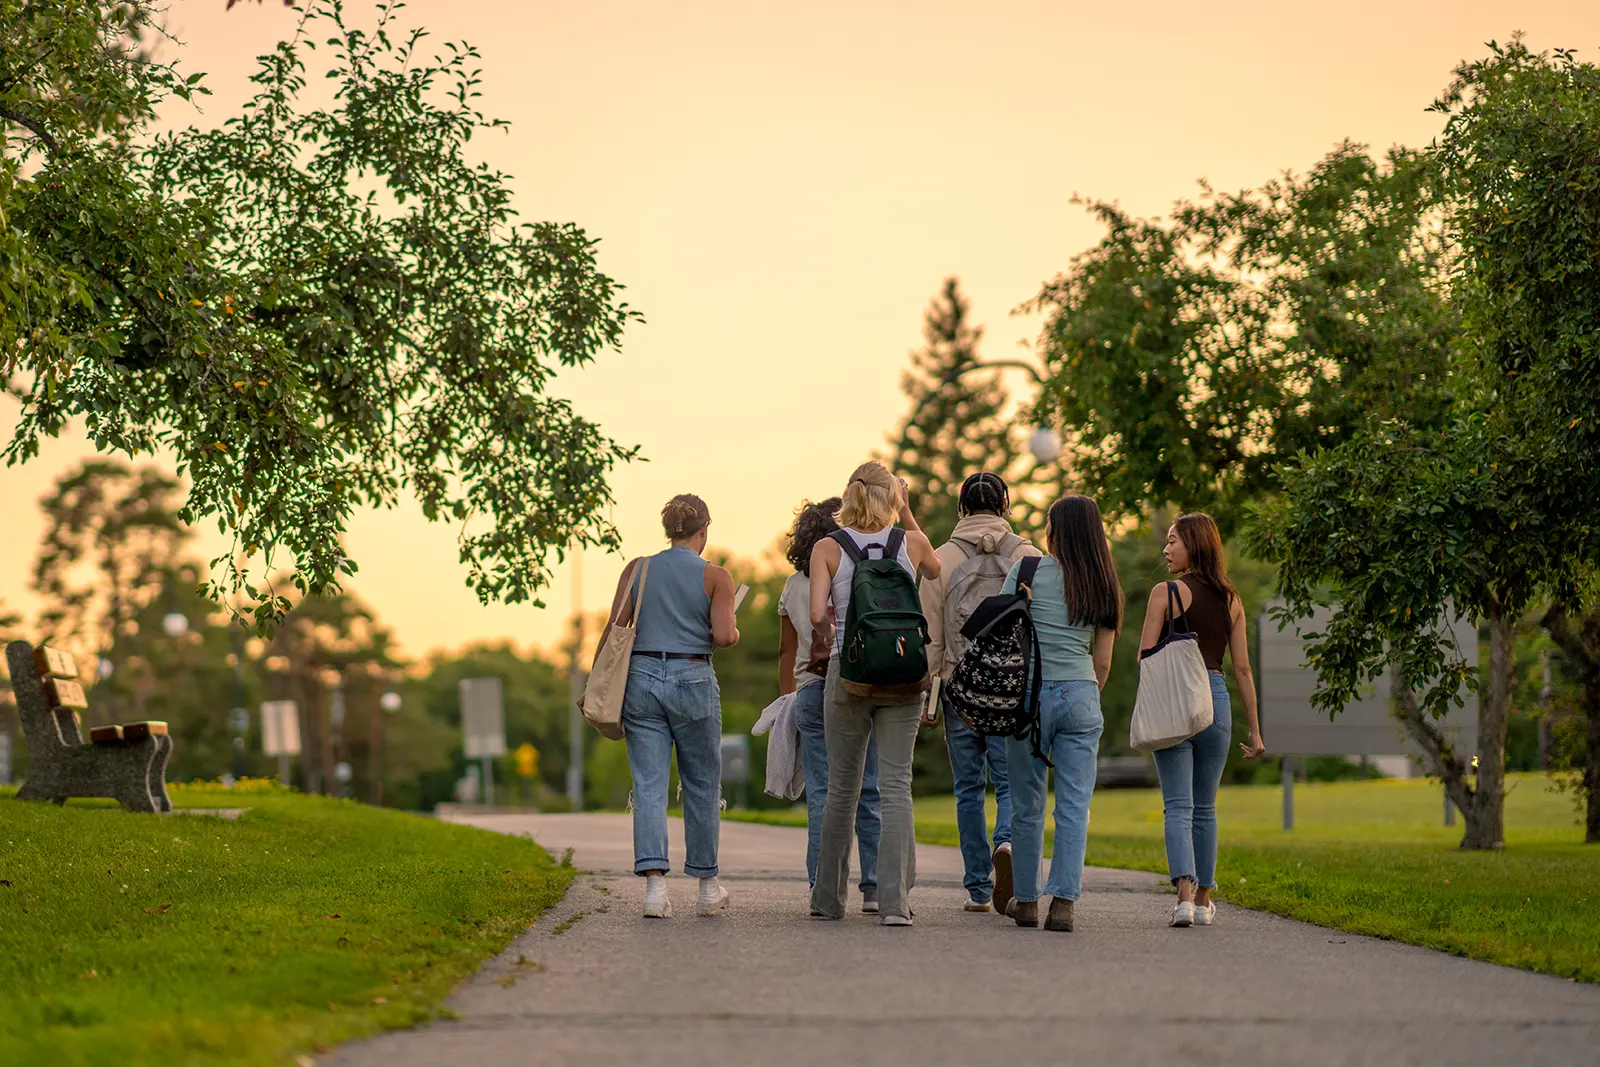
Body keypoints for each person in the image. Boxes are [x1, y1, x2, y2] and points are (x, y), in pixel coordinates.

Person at [593, 494, 741, 919]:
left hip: (640, 679)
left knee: (649, 786)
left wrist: (599, 683)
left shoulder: (638, 569)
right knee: (701, 785)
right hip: (692, 677)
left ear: (668, 530)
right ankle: (707, 887)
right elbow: (725, 636)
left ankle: (655, 892)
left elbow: (615, 627)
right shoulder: (717, 576)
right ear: (704, 531)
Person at [808, 462, 941, 926]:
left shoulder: (827, 548)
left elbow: (816, 617)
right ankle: (894, 904)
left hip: (850, 673)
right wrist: (906, 513)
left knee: (842, 789)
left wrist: (841, 631)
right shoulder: (912, 543)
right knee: (896, 787)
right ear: (893, 497)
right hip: (904, 669)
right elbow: (937, 568)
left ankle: (827, 899)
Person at [918, 472, 1041, 914]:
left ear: (961, 508)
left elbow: (930, 635)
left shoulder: (941, 559)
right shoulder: (1028, 557)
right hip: (1011, 689)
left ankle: (976, 889)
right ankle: (1006, 842)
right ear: (1005, 506)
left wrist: (930, 695)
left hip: (958, 688)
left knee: (967, 787)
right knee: (1009, 783)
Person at [1138, 512, 1267, 928]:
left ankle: (1183, 899)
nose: (1166, 548)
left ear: (1193, 544)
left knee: (1177, 805)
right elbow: (1243, 669)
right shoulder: (1232, 599)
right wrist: (1256, 729)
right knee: (1205, 808)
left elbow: (1146, 657)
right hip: (1216, 700)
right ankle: (1206, 900)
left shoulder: (1165, 593)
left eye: (1173, 540)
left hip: (1176, 699)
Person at [1001, 496, 1122, 931]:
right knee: (1074, 805)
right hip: (1081, 694)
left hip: (1028, 699)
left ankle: (1028, 901)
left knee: (1027, 804)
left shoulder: (1026, 571)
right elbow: (1103, 662)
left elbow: (1001, 630)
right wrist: (1083, 691)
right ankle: (1064, 904)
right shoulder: (1103, 583)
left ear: (1056, 531)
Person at [777, 497, 883, 913]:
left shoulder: (792, 586)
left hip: (809, 691)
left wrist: (788, 695)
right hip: (857, 685)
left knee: (821, 792)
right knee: (868, 788)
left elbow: (787, 653)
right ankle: (873, 887)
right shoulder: (856, 572)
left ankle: (821, 884)